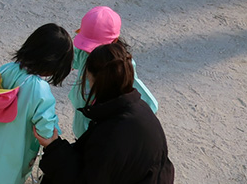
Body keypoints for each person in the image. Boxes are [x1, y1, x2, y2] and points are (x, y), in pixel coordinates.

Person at [35, 41, 175, 183]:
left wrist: (53, 146)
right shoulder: (137, 106)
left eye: (88, 78)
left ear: (97, 82)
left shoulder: (113, 131)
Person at [0, 23, 75, 184]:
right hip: (11, 154)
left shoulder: (6, 69)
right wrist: (53, 134)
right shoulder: (40, 89)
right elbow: (45, 127)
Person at [68, 6, 158, 138]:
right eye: (85, 45)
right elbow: (70, 60)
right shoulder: (82, 53)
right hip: (81, 125)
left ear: (114, 41)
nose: (88, 51)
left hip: (100, 132)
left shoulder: (122, 66)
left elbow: (148, 102)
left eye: (92, 47)